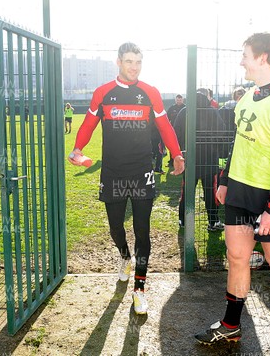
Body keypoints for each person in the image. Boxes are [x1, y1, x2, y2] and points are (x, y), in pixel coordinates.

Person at [195, 33, 270, 347]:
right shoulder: (248, 95)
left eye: (245, 55)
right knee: (237, 257)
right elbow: (239, 142)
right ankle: (231, 324)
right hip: (239, 191)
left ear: (264, 58)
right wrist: (225, 180)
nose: (242, 61)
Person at [68, 42, 185, 315]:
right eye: (129, 61)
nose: (134, 67)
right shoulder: (103, 93)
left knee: (143, 231)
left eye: (138, 62)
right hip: (112, 172)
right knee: (115, 229)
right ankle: (124, 257)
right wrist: (77, 148)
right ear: (118, 62)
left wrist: (176, 154)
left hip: (142, 171)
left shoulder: (150, 93)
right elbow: (87, 124)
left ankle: (140, 288)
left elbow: (165, 126)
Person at [174, 88, 226, 231]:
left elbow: (176, 132)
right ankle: (213, 222)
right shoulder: (213, 111)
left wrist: (182, 149)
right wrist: (216, 149)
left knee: (187, 191)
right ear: (207, 97)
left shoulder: (184, 111)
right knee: (211, 191)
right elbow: (222, 132)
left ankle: (183, 220)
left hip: (190, 159)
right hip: (209, 159)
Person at [166, 94, 185, 167]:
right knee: (172, 146)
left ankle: (183, 161)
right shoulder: (172, 108)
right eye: (177, 100)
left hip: (183, 131)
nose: (179, 101)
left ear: (182, 100)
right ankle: (171, 162)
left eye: (180, 100)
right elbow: (167, 118)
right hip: (174, 131)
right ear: (175, 100)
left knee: (183, 146)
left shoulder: (185, 108)